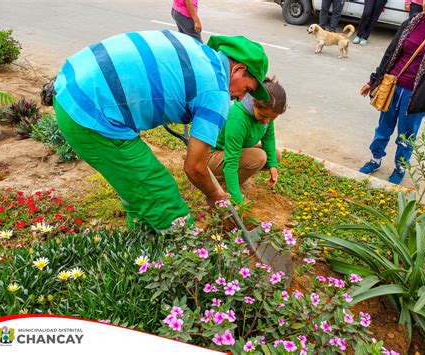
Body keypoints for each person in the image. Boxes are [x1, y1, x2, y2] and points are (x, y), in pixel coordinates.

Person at [53, 30, 270, 231]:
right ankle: (185, 259)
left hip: (71, 85)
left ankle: (141, 239)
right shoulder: (217, 90)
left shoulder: (199, 52)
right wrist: (215, 195)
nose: (242, 98)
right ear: (238, 70)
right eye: (248, 90)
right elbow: (194, 167)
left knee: (136, 184)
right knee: (161, 196)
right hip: (90, 111)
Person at [358, 0, 425, 185]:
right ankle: (375, 159)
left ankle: (400, 168)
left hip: (417, 94)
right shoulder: (413, 21)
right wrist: (373, 80)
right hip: (392, 87)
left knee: (406, 136)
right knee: (383, 129)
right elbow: (391, 53)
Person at [208, 77, 287, 204]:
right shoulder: (238, 120)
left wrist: (272, 165)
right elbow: (231, 162)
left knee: (275, 156)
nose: (266, 121)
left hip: (232, 151)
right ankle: (227, 192)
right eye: (263, 116)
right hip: (211, 155)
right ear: (253, 102)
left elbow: (268, 137)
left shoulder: (267, 114)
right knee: (258, 157)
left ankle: (231, 182)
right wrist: (237, 198)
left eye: (272, 118)